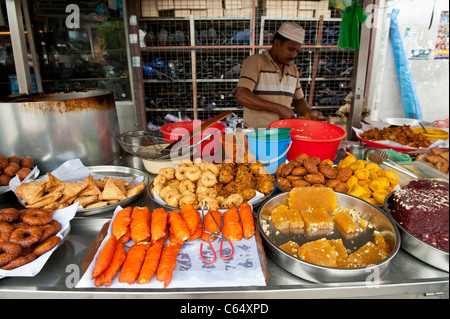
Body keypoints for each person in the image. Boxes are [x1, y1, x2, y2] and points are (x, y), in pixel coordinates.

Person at [236, 22, 325, 129]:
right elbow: (242, 95)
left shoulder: (293, 69)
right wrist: (278, 108)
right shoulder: (255, 62)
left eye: (297, 51)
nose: (293, 55)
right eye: (290, 49)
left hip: (283, 135)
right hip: (257, 135)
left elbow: (299, 100)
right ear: (277, 44)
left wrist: (309, 113)